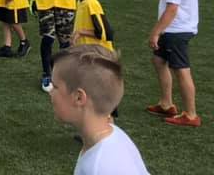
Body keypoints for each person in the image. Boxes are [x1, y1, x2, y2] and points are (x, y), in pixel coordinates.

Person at [49, 45, 149, 175]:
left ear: (79, 98)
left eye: (55, 86)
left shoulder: (99, 167)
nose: (50, 92)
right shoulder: (111, 133)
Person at [147, 0, 200, 127]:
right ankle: (166, 104)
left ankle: (191, 115)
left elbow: (172, 9)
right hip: (173, 30)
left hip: (176, 31)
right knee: (159, 60)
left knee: (181, 70)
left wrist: (156, 32)